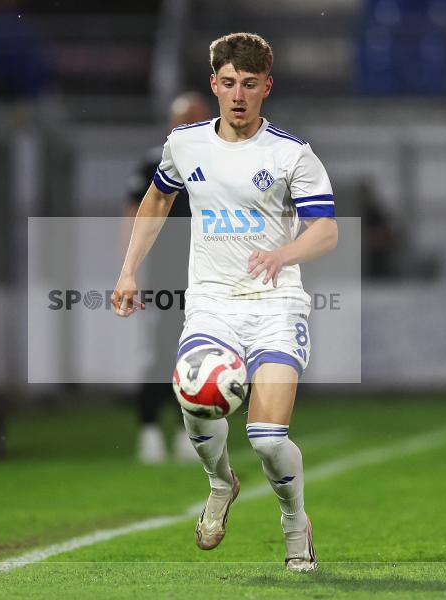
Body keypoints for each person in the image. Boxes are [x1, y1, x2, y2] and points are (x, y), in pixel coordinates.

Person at [112, 33, 337, 571]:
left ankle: (295, 522)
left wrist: (283, 254)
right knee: (196, 400)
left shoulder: (291, 154)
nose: (238, 95)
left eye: (250, 85)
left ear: (267, 87)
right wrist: (128, 270)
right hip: (211, 303)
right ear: (214, 83)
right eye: (229, 83)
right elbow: (157, 199)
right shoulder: (184, 144)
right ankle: (220, 482)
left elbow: (326, 231)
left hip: (276, 305)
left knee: (267, 438)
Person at [126, 92, 210, 464]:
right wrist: (129, 270)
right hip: (165, 269)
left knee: (199, 351)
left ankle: (188, 430)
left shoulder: (219, 161)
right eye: (185, 119)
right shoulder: (154, 162)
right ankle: (149, 429)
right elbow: (134, 215)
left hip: (207, 269)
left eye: (198, 118)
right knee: (163, 351)